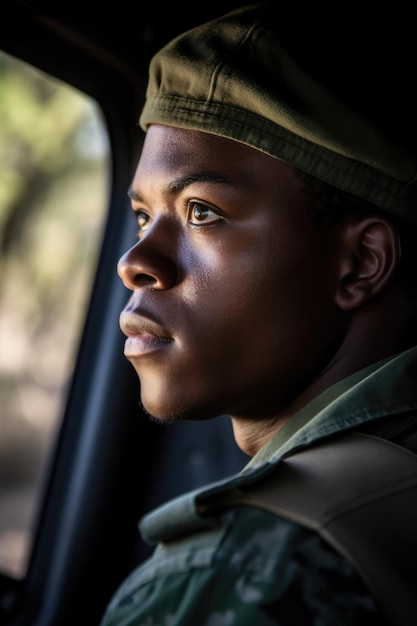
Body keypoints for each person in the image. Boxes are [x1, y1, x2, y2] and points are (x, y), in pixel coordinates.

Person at [100, 3, 417, 624]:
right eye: (143, 216)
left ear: (360, 263)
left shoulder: (230, 571)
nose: (136, 262)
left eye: (202, 212)